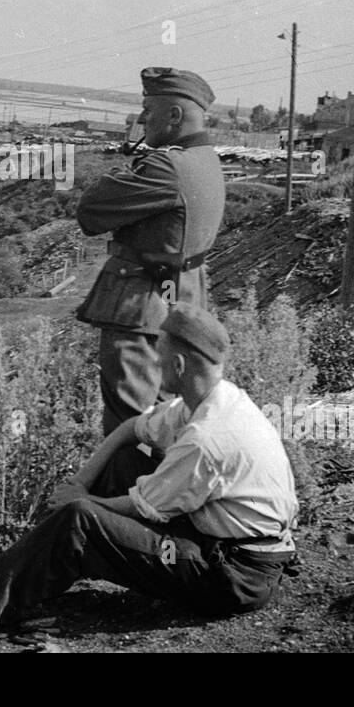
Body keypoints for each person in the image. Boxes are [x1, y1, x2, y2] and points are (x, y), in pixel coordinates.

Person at [0, 303, 299, 633]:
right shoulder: (213, 400)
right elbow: (129, 429)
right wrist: (81, 480)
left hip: (231, 575)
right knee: (122, 463)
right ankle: (35, 571)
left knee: (81, 519)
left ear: (177, 363)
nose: (154, 363)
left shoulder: (208, 436)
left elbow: (144, 508)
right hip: (221, 544)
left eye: (158, 356)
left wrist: (81, 499)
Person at [73, 68, 226, 437]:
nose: (141, 119)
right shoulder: (206, 160)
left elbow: (90, 213)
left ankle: (130, 492)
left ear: (174, 116)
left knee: (132, 424)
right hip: (180, 298)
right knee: (167, 414)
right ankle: (160, 486)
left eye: (148, 109)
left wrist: (123, 170)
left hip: (142, 306)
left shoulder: (164, 166)